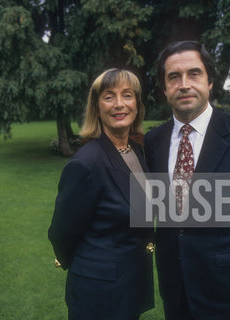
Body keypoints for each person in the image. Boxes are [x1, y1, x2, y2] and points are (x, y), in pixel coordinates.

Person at [144, 40, 230, 320]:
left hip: (226, 286)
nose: (184, 84)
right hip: (174, 284)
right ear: (164, 88)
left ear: (210, 82)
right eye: (174, 76)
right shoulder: (153, 140)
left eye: (194, 74)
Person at [48, 68, 154, 320]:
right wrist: (90, 265)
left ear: (137, 105)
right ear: (96, 107)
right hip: (99, 292)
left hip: (131, 283)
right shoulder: (86, 163)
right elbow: (61, 233)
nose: (119, 104)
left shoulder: (137, 152)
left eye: (127, 95)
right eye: (109, 96)